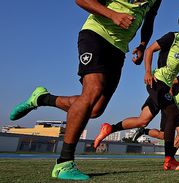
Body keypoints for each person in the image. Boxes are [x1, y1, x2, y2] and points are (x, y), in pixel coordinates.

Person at [9, 0, 161, 180]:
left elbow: (149, 19)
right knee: (93, 90)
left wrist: (143, 45)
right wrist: (113, 15)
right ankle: (64, 163)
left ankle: (42, 98)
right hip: (95, 35)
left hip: (119, 49)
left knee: (95, 109)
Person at [93, 13, 179, 170]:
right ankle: (169, 159)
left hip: (165, 85)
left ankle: (110, 128)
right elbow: (149, 50)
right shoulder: (172, 37)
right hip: (156, 81)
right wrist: (148, 71)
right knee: (173, 112)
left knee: (143, 120)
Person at [131, 66, 179, 152]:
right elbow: (172, 81)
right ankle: (144, 131)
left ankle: (171, 157)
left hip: (178, 108)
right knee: (164, 135)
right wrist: (170, 91)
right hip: (169, 105)